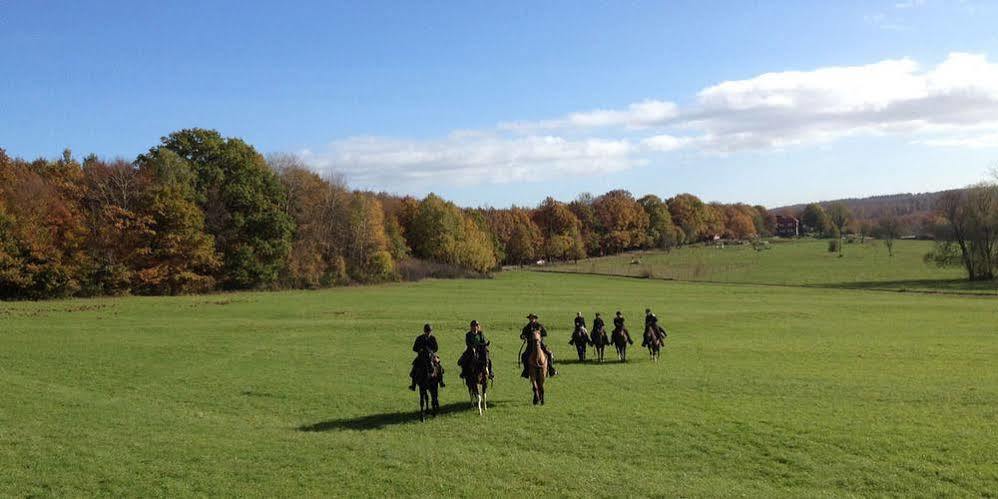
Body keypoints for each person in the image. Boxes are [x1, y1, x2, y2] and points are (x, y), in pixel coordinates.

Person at [520, 313, 557, 378]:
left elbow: (545, 333)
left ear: (535, 319)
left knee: (549, 354)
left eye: (532, 318)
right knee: (524, 356)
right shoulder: (527, 327)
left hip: (539, 343)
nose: (531, 319)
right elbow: (522, 335)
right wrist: (523, 336)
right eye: (530, 318)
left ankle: (551, 370)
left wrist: (539, 336)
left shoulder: (539, 326)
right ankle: (526, 371)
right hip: (530, 344)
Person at [409, 323, 444, 391]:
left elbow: (436, 348)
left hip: (431, 356)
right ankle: (413, 385)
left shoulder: (433, 338)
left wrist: (431, 351)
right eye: (427, 331)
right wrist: (420, 350)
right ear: (424, 331)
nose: (428, 333)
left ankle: (441, 381)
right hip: (421, 356)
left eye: (429, 331)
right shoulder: (419, 338)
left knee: (439, 366)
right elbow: (414, 348)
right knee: (415, 368)